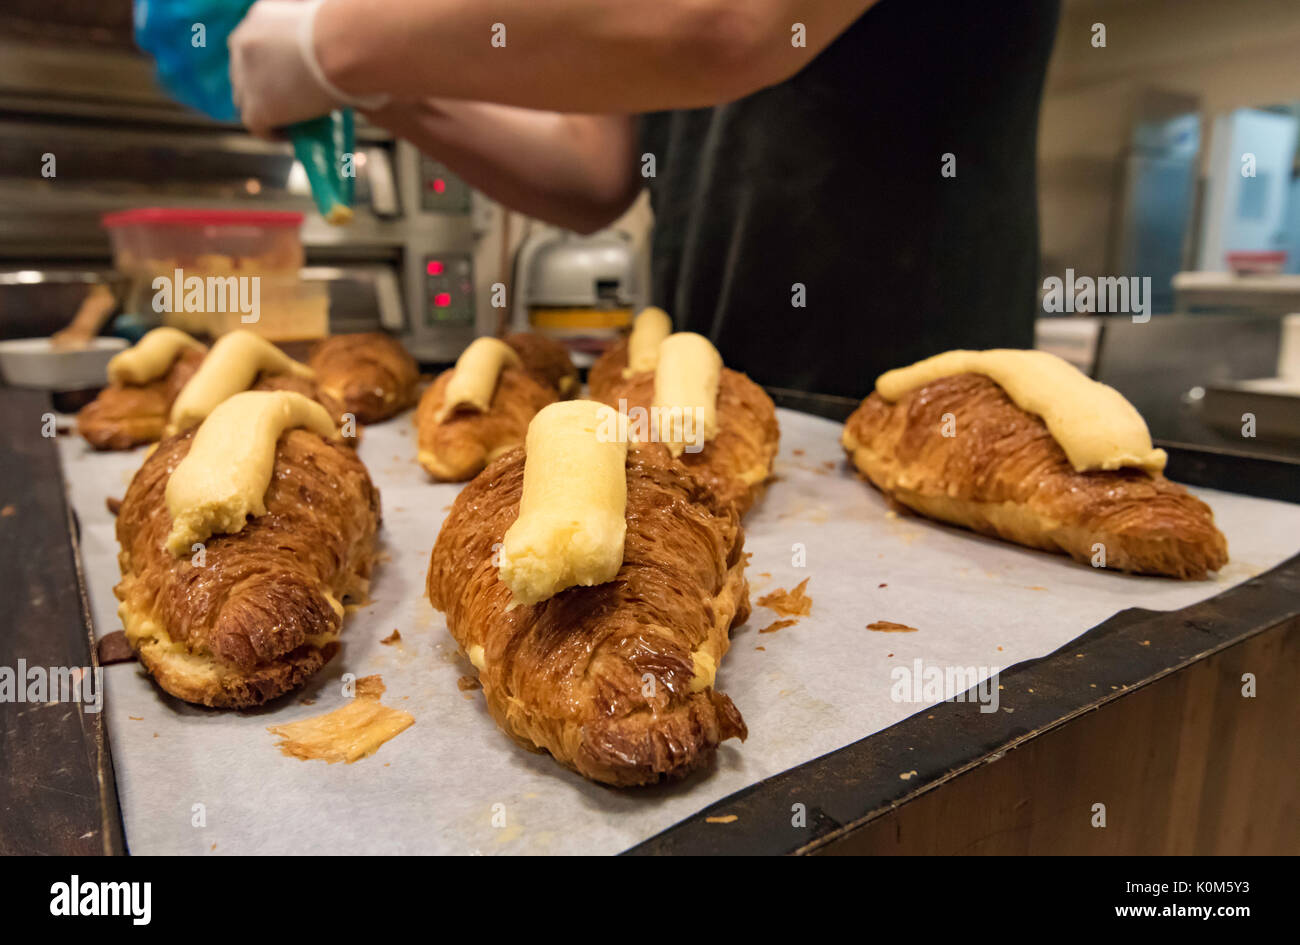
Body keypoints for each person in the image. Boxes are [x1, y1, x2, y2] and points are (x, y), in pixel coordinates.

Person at [231, 0, 1061, 398]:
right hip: (706, 400)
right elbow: (593, 174)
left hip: (929, 403)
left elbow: (727, 22)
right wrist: (375, 95)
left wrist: (330, 41)